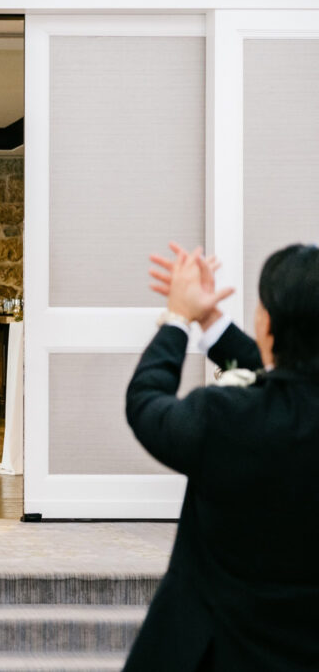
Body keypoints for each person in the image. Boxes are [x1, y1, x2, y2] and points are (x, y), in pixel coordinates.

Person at [124, 242, 319, 671]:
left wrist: (177, 318)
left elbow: (145, 401)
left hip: (214, 652)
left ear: (267, 325)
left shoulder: (226, 420)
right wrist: (211, 321)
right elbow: (293, 375)